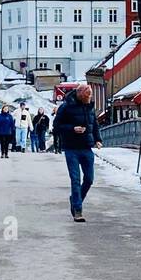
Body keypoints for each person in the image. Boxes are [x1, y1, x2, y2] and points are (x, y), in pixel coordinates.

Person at [52, 84, 103, 222]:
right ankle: (77, 210)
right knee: (75, 179)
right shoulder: (66, 107)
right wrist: (72, 128)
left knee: (89, 179)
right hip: (71, 148)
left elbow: (94, 124)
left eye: (90, 95)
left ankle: (75, 198)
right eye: (87, 96)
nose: (90, 98)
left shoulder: (89, 106)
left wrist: (98, 139)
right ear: (81, 95)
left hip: (87, 147)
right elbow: (56, 127)